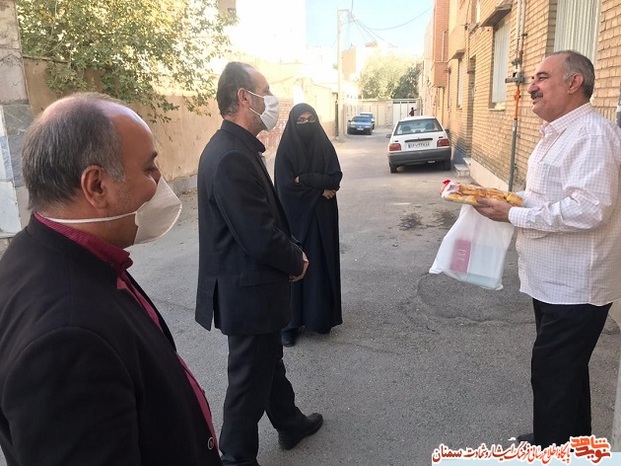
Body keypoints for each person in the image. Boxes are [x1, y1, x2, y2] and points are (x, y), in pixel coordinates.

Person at [0, 93, 222, 465]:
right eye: (149, 168)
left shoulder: (44, 253)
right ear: (97, 186)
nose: (159, 179)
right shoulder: (66, 342)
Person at [474, 51, 621, 447]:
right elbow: (546, 196)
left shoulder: (591, 135)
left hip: (576, 287)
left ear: (574, 82)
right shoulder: (558, 133)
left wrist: (514, 215)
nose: (531, 86)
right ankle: (569, 444)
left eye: (541, 77)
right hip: (553, 282)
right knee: (566, 374)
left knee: (553, 375)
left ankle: (553, 449)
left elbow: (590, 209)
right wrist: (506, 200)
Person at [195, 62, 323, 466]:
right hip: (247, 292)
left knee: (268, 363)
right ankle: (235, 457)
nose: (272, 100)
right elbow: (259, 234)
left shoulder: (236, 148)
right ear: (244, 98)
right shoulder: (230, 156)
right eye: (265, 91)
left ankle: (289, 422)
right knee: (248, 381)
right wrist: (296, 258)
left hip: (249, 289)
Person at [274, 103, 343, 347]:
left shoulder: (323, 145)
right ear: (293, 124)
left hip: (323, 219)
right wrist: (318, 190)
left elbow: (335, 178)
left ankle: (320, 317)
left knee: (321, 265)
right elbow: (285, 188)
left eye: (310, 119)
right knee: (295, 266)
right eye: (300, 121)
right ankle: (289, 325)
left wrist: (305, 178)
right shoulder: (286, 151)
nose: (306, 124)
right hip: (295, 220)